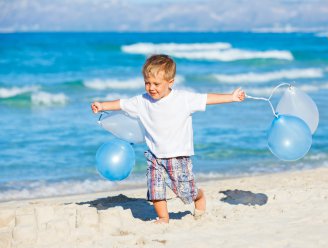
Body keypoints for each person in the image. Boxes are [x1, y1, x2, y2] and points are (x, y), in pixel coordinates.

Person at [91, 54, 245, 223]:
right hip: (154, 156)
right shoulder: (142, 101)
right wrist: (103, 105)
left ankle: (199, 197)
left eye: (156, 84)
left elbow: (206, 98)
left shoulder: (183, 99)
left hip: (178, 155)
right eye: (147, 83)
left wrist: (231, 97)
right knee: (155, 190)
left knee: (185, 192)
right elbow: (122, 103)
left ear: (170, 82)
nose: (151, 88)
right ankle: (163, 218)